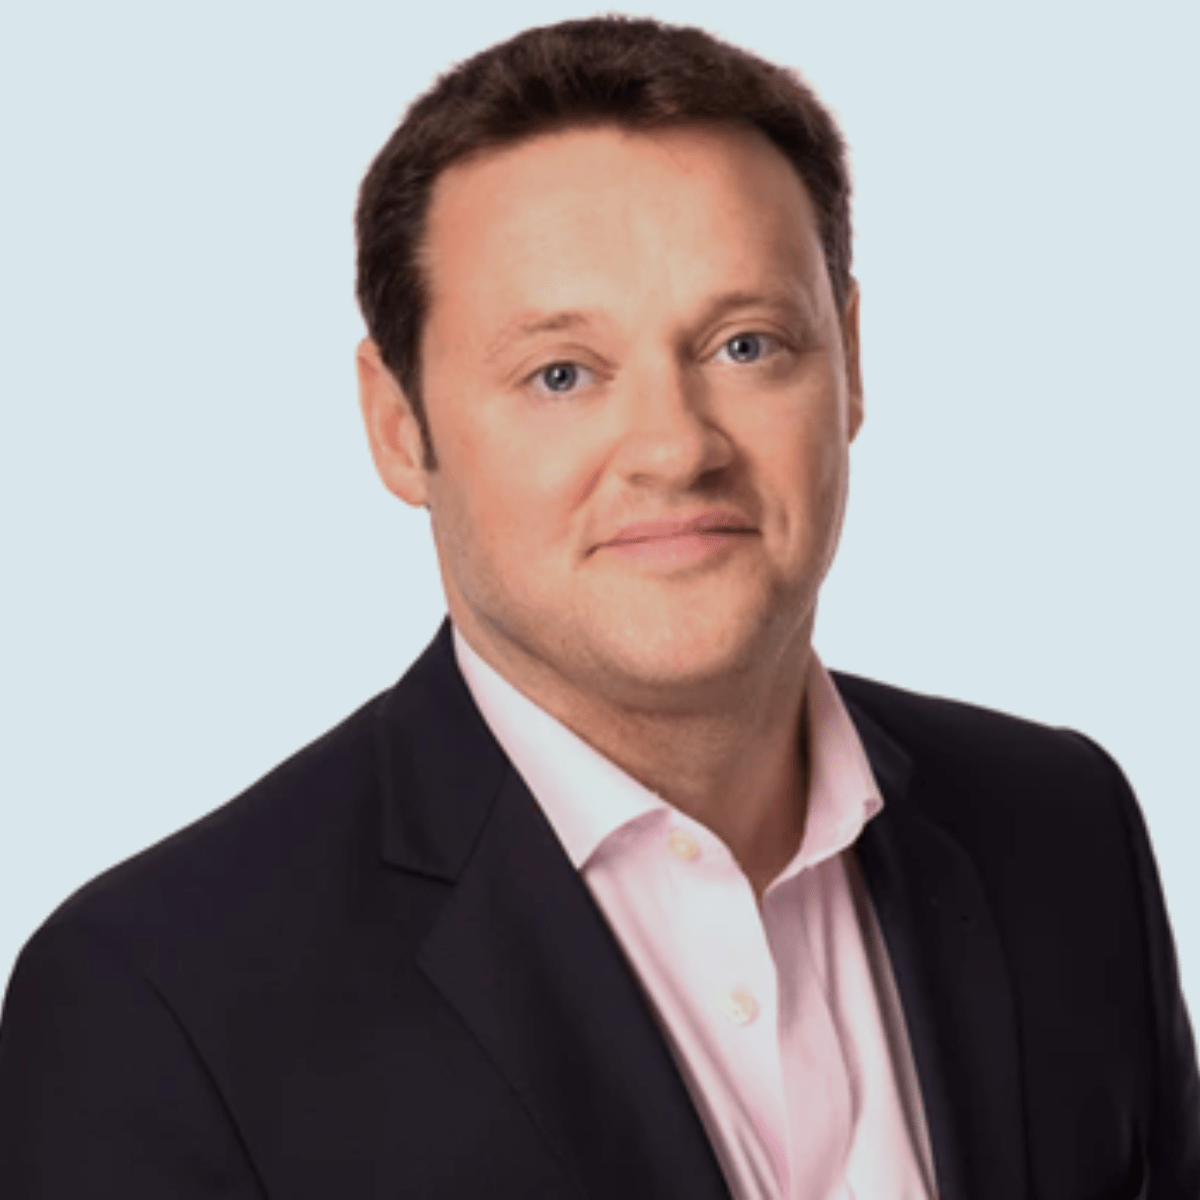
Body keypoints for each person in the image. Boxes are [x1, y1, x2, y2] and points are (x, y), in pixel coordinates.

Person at [1, 14, 1196, 1198]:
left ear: (851, 363)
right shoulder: (158, 1007)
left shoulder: (1063, 830)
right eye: (560, 374)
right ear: (399, 425)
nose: (676, 449)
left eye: (745, 345)